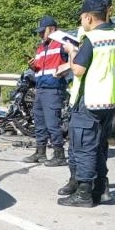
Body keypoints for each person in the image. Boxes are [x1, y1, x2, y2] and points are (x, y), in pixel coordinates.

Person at [58, 0, 115, 207]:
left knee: (84, 146)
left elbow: (79, 70)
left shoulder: (92, 39)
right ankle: (102, 190)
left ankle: (83, 194)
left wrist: (72, 53)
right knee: (99, 146)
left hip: (91, 101)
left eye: (82, 18)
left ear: (89, 18)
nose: (81, 22)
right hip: (113, 101)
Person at [24, 15, 70, 165]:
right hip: (41, 88)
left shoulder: (62, 44)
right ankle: (40, 152)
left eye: (42, 32)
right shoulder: (40, 47)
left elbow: (75, 56)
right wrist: (33, 66)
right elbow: (41, 68)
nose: (40, 35)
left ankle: (59, 155)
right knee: (39, 122)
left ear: (51, 29)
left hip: (54, 89)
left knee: (52, 123)